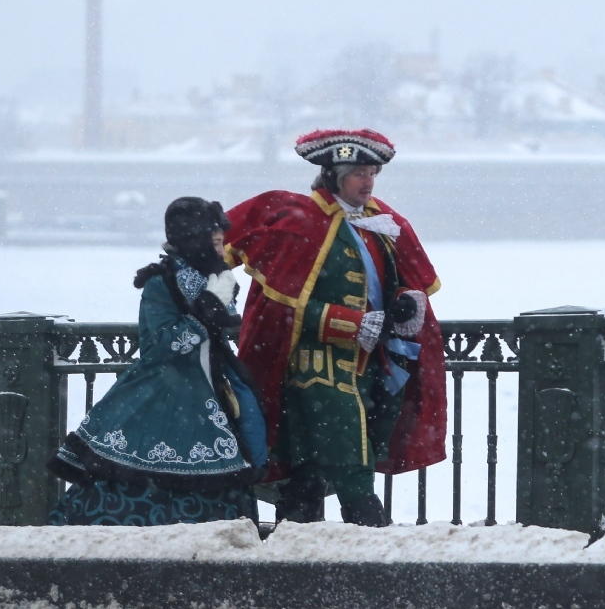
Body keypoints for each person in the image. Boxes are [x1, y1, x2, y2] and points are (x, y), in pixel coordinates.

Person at [225, 128, 446, 526]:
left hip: (374, 364)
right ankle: (370, 530)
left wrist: (407, 304)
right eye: (359, 173)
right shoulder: (300, 222)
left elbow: (403, 283)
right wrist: (352, 324)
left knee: (314, 462)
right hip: (316, 365)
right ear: (333, 176)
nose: (368, 182)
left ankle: (297, 532)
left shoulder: (382, 222)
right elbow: (287, 307)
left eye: (372, 173)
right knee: (348, 449)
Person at [47, 197, 269, 525]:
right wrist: (208, 308)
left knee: (235, 454)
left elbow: (223, 326)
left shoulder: (211, 276)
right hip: (164, 392)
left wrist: (219, 300)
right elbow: (166, 344)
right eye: (217, 242)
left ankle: (215, 540)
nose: (223, 252)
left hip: (210, 386)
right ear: (195, 240)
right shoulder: (160, 282)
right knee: (147, 471)